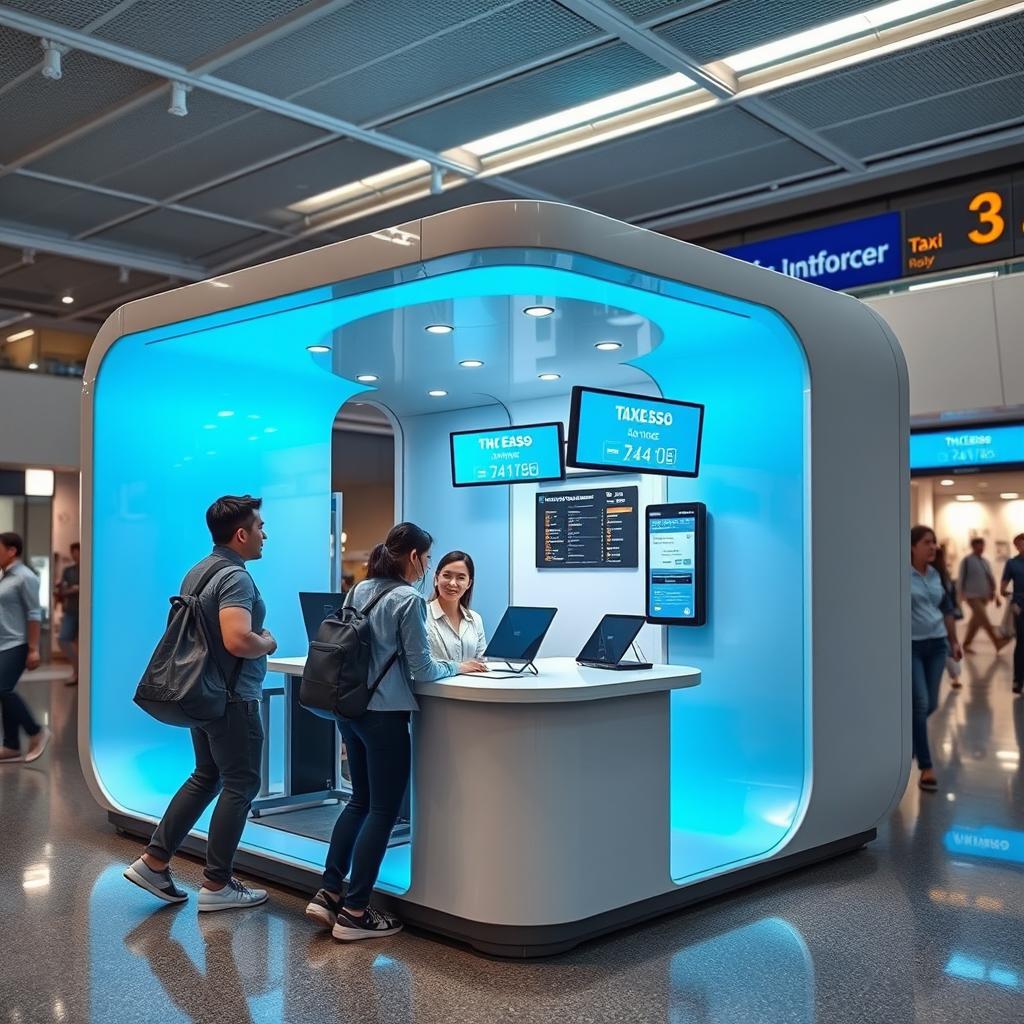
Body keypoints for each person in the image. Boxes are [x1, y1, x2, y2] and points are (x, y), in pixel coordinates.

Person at [304, 523, 487, 941]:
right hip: (385, 715)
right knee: (383, 811)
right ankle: (355, 911)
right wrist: (456, 667)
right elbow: (422, 668)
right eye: (427, 560)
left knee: (359, 802)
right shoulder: (407, 599)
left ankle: (329, 892)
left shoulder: (360, 590)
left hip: (350, 709)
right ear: (415, 558)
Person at [124, 495, 277, 912]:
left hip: (204, 692)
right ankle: (217, 884)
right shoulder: (236, 578)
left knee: (207, 775)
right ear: (242, 533)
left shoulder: (198, 571)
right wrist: (268, 641)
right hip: (232, 699)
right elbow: (237, 638)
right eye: (260, 527)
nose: (266, 534)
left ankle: (154, 862)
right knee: (241, 784)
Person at [911, 525, 963, 792]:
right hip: (913, 647)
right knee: (919, 704)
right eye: (927, 542)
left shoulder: (937, 575)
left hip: (938, 644)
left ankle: (907, 747)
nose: (933, 547)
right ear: (912, 546)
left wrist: (954, 641)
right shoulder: (900, 575)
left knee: (931, 704)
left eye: (934, 543)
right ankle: (926, 767)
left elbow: (947, 609)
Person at [0, 532, 49, 763]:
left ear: (12, 550)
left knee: (3, 689)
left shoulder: (25, 576)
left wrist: (33, 648)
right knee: (4, 690)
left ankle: (36, 731)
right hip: (4, 643)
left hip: (17, 643)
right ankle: (11, 745)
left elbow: (33, 613)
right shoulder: (6, 577)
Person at [426, 550, 487, 663]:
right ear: (436, 578)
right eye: (447, 576)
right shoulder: (422, 615)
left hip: (471, 681)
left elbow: (481, 662)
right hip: (430, 681)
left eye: (461, 578)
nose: (453, 583)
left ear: (469, 583)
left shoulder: (475, 619)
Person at [958, 537, 1007, 653]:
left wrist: (994, 594)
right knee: (984, 619)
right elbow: (961, 579)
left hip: (984, 596)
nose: (981, 548)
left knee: (976, 622)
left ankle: (966, 645)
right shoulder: (966, 561)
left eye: (982, 545)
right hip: (972, 596)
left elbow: (990, 578)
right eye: (978, 545)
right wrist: (960, 595)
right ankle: (997, 642)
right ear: (973, 546)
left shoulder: (985, 561)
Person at [934, 544, 964, 690]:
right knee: (949, 644)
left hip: (944, 615)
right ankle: (955, 677)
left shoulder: (940, 575)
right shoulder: (939, 575)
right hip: (944, 615)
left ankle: (955, 676)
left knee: (949, 645)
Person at [1001, 532, 1024, 695]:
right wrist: (1012, 600)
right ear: (1016, 546)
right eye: (1019, 544)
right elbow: (1003, 588)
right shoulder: (1012, 563)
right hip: (1019, 607)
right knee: (1021, 643)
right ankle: (1018, 680)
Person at [55, 541, 81, 687]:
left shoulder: (90, 568)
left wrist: (75, 588)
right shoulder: (68, 571)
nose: (74, 554)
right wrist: (76, 589)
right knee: (64, 639)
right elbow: (63, 591)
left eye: (76, 551)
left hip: (85, 613)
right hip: (71, 610)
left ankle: (79, 673)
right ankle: (77, 668)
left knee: (81, 643)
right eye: (73, 552)